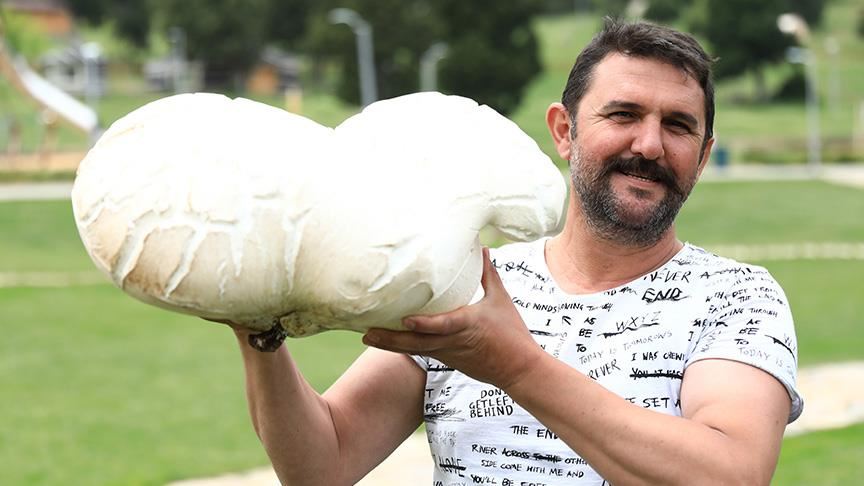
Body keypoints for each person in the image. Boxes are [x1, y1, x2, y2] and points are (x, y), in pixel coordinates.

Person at [228, 19, 802, 486]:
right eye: (623, 114)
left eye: (677, 126)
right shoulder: (466, 281)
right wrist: (257, 328)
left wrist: (513, 363)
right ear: (565, 131)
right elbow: (323, 465)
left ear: (702, 156)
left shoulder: (737, 300)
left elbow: (730, 475)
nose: (649, 144)